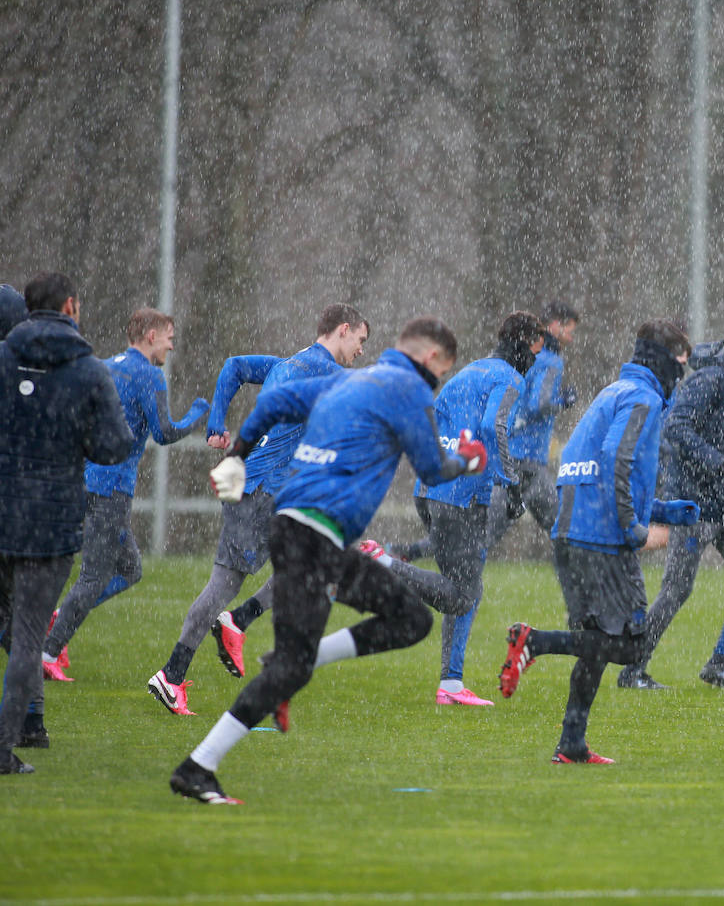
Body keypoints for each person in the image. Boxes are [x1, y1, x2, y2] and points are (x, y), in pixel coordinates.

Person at [169, 317, 486, 804]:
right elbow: (432, 469)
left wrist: (237, 456)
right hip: (313, 538)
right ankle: (197, 767)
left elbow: (272, 403)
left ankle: (293, 665)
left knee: (409, 620)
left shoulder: (349, 380)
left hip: (298, 529)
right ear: (433, 358)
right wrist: (469, 458)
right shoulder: (410, 391)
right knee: (328, 654)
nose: (439, 380)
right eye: (443, 370)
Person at [147, 305, 368, 715]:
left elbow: (234, 367)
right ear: (344, 330)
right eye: (360, 340)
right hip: (259, 490)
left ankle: (233, 625)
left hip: (258, 485)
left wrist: (217, 422)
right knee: (227, 584)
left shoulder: (289, 365)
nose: (361, 350)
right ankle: (175, 672)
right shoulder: (326, 373)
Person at [498, 319, 697, 763]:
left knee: (594, 642)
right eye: (679, 364)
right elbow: (615, 460)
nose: (680, 376)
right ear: (664, 361)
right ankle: (534, 641)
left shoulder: (613, 392)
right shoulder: (643, 398)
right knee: (631, 645)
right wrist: (633, 528)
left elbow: (586, 467)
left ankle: (571, 744)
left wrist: (664, 511)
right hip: (602, 543)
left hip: (571, 535)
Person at [0, 273, 134, 774]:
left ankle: (28, 727)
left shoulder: (3, 357)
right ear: (70, 306)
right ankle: (6, 745)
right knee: (28, 639)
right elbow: (114, 446)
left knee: (13, 629)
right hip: (49, 523)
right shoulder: (88, 370)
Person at [40, 308, 209, 681]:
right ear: (151, 336)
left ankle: (61, 618)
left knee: (131, 568)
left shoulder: (102, 366)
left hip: (83, 480)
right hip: (111, 488)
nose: (171, 346)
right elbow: (164, 433)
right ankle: (48, 651)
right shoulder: (149, 374)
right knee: (94, 576)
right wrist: (199, 413)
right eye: (169, 338)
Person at [617, 310, 724, 691]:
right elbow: (676, 428)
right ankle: (632, 670)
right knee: (677, 589)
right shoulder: (710, 379)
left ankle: (718, 664)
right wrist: (719, 465)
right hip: (692, 504)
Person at [418, 311, 544, 706]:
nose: (537, 358)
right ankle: (385, 564)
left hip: (430, 488)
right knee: (464, 591)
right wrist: (512, 483)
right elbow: (493, 427)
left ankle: (450, 683)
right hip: (463, 495)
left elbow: (431, 420)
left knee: (464, 587)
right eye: (536, 349)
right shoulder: (510, 377)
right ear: (523, 345)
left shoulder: (470, 371)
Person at [487, 299, 580, 548]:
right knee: (563, 530)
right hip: (526, 457)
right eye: (570, 329)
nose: (572, 336)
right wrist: (563, 401)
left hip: (516, 453)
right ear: (555, 325)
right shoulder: (551, 361)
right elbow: (539, 403)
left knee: (558, 528)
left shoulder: (530, 356)